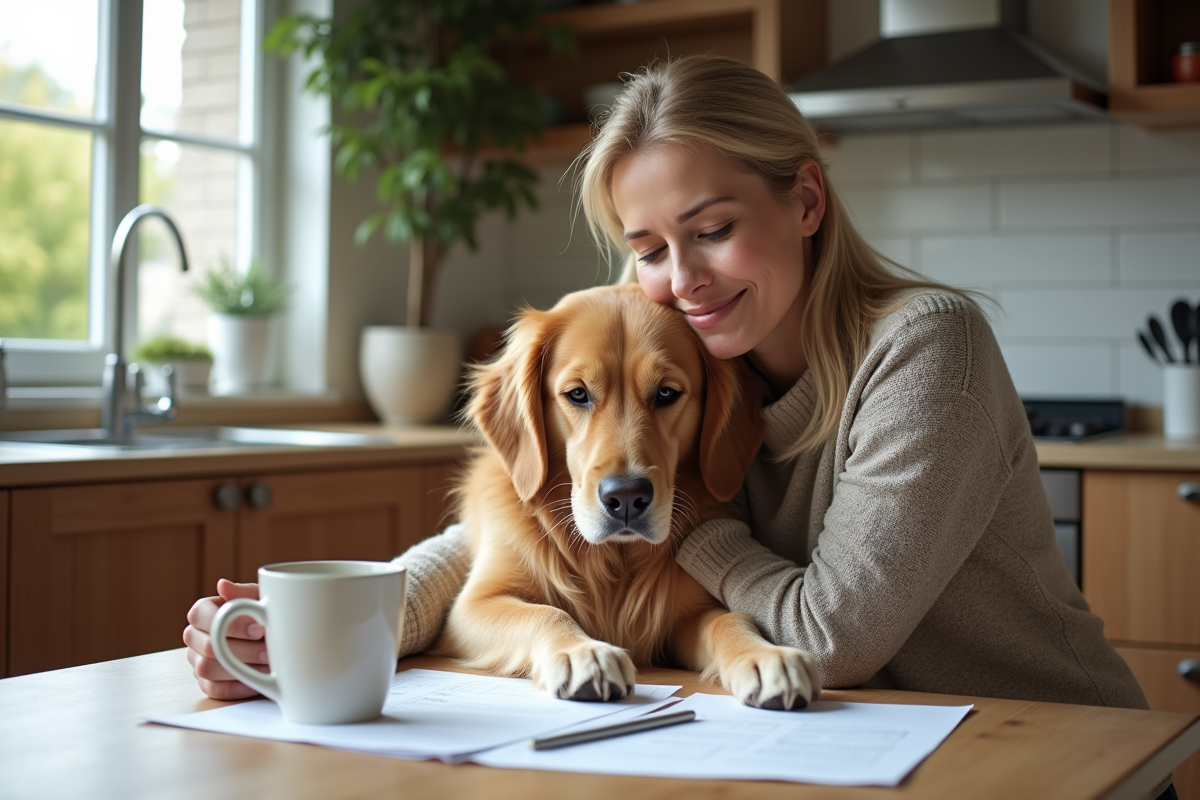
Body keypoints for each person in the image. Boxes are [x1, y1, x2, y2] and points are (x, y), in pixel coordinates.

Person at [184, 55, 1149, 713]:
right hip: (867, 750)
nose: (681, 278)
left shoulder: (926, 348)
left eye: (714, 228)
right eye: (648, 247)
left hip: (1051, 745)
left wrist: (682, 520)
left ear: (805, 200)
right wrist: (332, 629)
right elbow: (515, 524)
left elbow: (832, 633)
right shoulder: (685, 357)